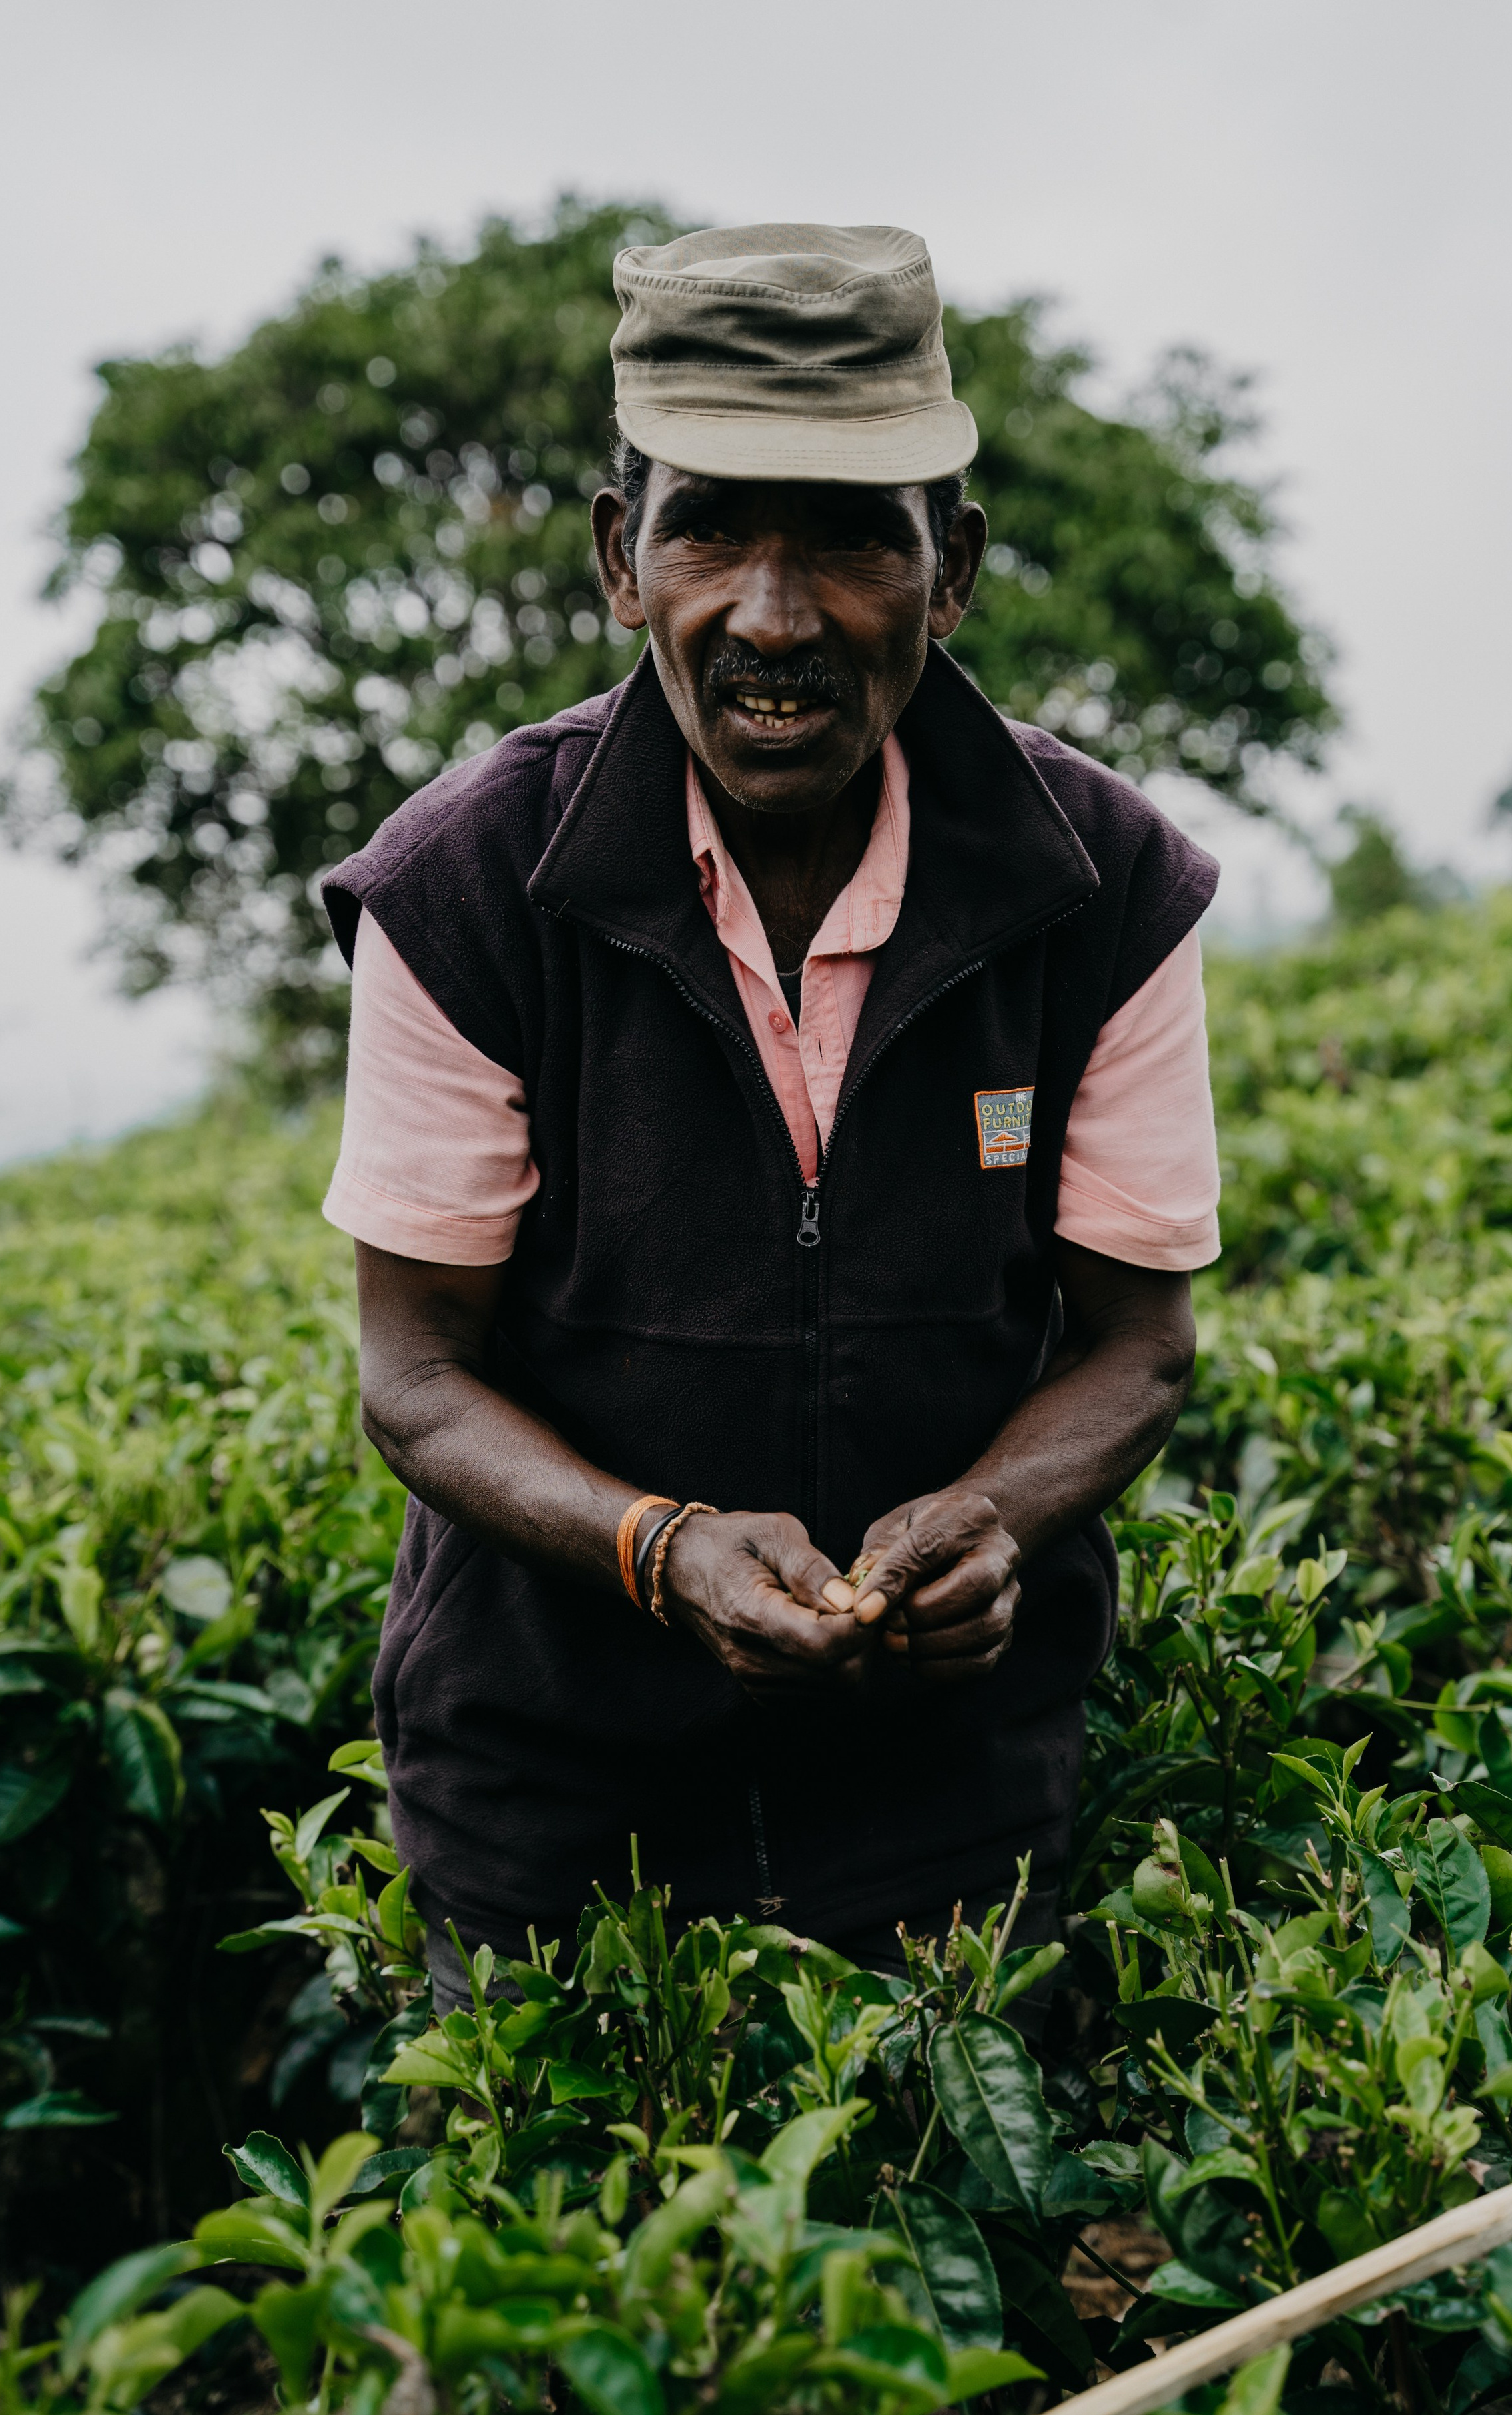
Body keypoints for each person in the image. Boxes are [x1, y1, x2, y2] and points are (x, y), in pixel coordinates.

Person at [320, 224, 1221, 2011]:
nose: (776, 613)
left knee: (944, 2271)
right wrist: (661, 1552)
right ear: (617, 560)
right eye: (712, 526)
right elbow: (414, 1375)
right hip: (549, 1813)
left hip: (950, 1807)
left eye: (851, 539)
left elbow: (1141, 1348)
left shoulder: (1100, 884)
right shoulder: (465, 887)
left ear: (950, 568)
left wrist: (990, 1517)